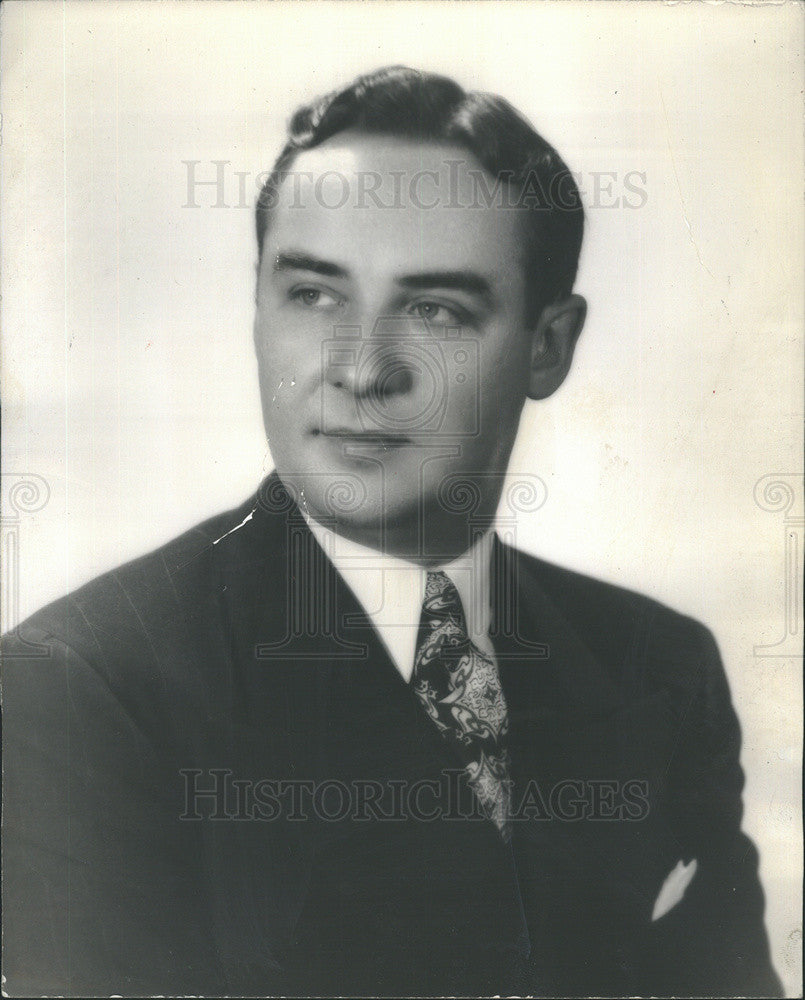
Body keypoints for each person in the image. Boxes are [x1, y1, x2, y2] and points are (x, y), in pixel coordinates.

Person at [2, 66, 782, 997]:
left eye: (434, 309)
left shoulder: (659, 666)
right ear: (257, 310)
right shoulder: (85, 687)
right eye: (314, 295)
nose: (361, 370)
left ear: (548, 346)